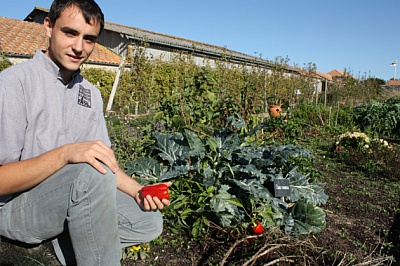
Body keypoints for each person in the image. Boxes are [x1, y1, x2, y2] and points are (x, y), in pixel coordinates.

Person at [0, 0, 171, 265]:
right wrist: (65, 154)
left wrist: (138, 190)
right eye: (70, 33)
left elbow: (101, 162)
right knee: (86, 175)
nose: (79, 47)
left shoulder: (90, 94)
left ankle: (69, 243)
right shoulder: (13, 84)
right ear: (48, 26)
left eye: (89, 39)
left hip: (68, 200)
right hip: (16, 208)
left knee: (147, 221)